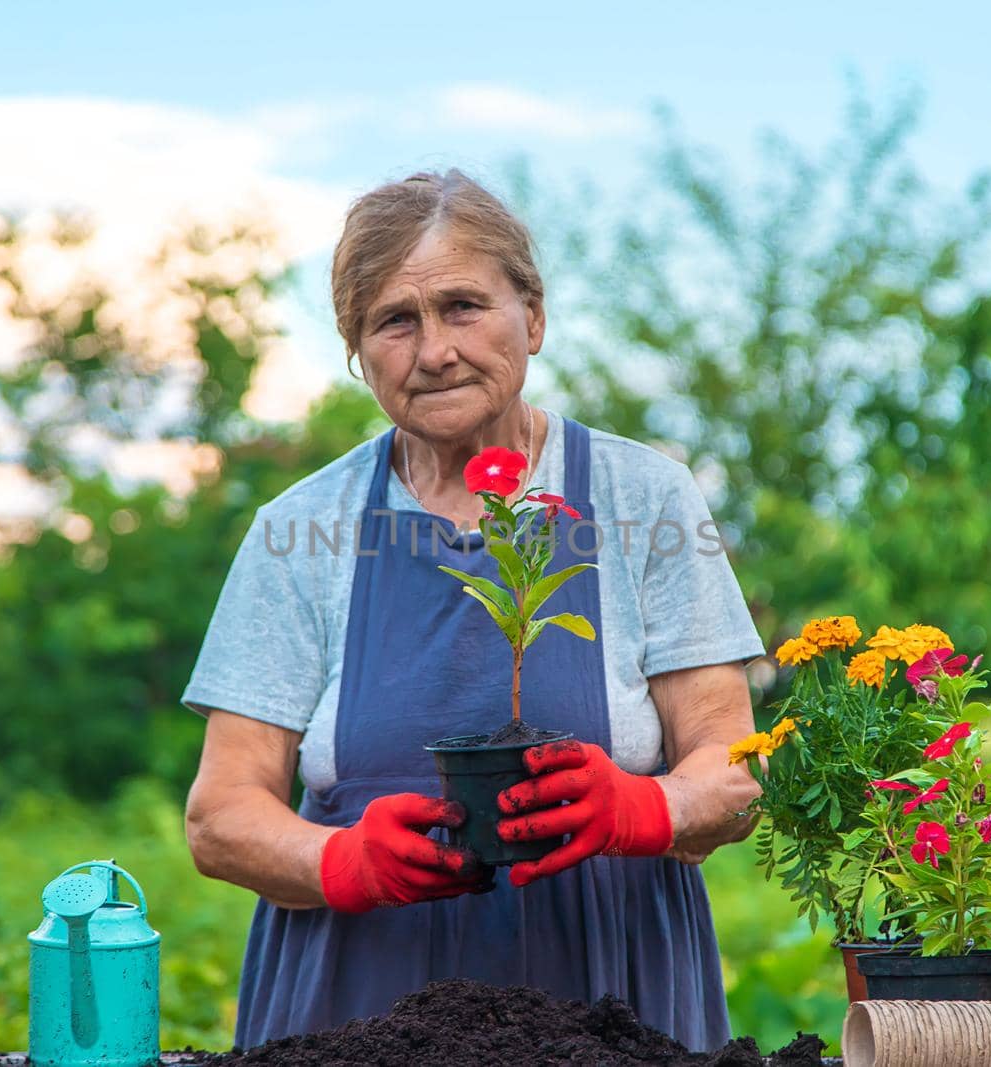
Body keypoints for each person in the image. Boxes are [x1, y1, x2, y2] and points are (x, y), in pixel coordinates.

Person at [182, 169, 764, 1052]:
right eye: (395, 321)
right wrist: (342, 860)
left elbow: (730, 770)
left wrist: (641, 810)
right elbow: (221, 814)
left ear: (532, 316)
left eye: (463, 306)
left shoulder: (644, 496)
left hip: (612, 1000)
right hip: (358, 1009)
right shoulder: (300, 527)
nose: (435, 349)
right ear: (357, 351)